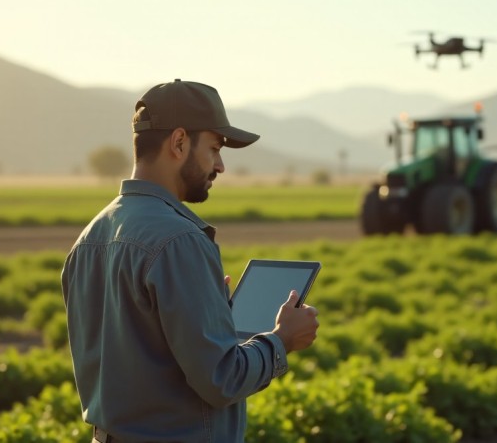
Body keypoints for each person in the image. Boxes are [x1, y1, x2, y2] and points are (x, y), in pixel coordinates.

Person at [61, 79, 320, 443]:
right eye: (214, 148)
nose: (220, 165)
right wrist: (282, 340)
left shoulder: (90, 237)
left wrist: (209, 315)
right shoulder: (180, 240)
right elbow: (222, 379)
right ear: (179, 142)